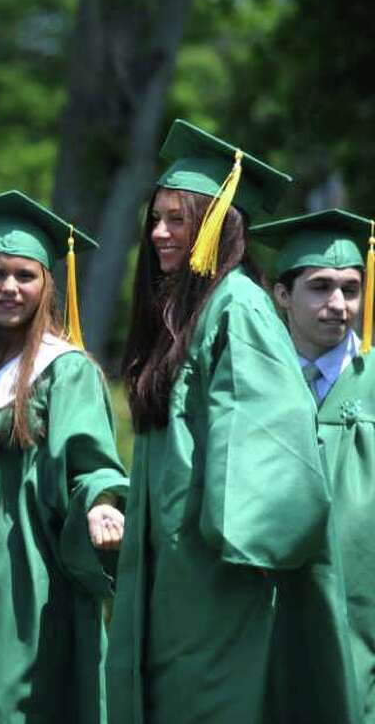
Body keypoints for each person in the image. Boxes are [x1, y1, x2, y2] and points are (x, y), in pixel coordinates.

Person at [106, 120, 357, 724]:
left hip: (215, 576)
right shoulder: (183, 314)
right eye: (156, 218)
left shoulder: (237, 307)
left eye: (179, 218)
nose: (162, 232)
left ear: (218, 225)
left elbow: (269, 434)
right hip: (174, 575)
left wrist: (227, 537)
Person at [0, 190, 128, 723]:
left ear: (48, 285)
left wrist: (99, 502)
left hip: (32, 584)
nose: (9, 288)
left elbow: (88, 461)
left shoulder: (64, 371)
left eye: (25, 275)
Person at [251, 208, 375, 720]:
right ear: (283, 296)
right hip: (267, 604)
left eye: (350, 288)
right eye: (320, 287)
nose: (338, 304)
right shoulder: (251, 383)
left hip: (361, 606)